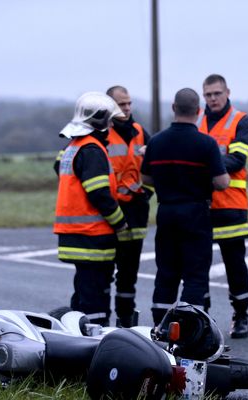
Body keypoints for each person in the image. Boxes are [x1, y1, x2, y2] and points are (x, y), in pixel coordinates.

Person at [141, 88, 230, 327]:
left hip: (166, 211)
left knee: (167, 272)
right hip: (195, 212)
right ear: (199, 111)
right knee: (195, 273)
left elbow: (145, 180)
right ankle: (187, 327)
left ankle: (160, 326)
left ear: (173, 108)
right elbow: (222, 182)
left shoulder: (156, 142)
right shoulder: (206, 143)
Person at [53, 92, 128, 327]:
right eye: (109, 121)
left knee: (83, 294)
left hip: (75, 236)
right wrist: (120, 223)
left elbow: (59, 167)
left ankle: (75, 334)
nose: (111, 126)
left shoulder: (73, 147)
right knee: (95, 299)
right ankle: (93, 343)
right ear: (100, 122)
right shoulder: (92, 150)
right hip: (92, 237)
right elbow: (99, 194)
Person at [196, 74, 248, 339]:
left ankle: (241, 315)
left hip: (230, 205)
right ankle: (203, 319)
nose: (213, 99)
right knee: (198, 264)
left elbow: (238, 160)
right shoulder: (195, 119)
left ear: (227, 92)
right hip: (199, 205)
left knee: (235, 264)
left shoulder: (241, 121)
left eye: (217, 93)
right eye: (208, 95)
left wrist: (202, 165)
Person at [105, 85, 152, 328]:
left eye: (129, 104)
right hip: (106, 215)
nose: (127, 109)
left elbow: (157, 166)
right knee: (102, 273)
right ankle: (99, 325)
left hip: (135, 215)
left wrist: (147, 194)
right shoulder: (99, 132)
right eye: (121, 104)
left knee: (128, 275)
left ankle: (125, 322)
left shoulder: (140, 132)